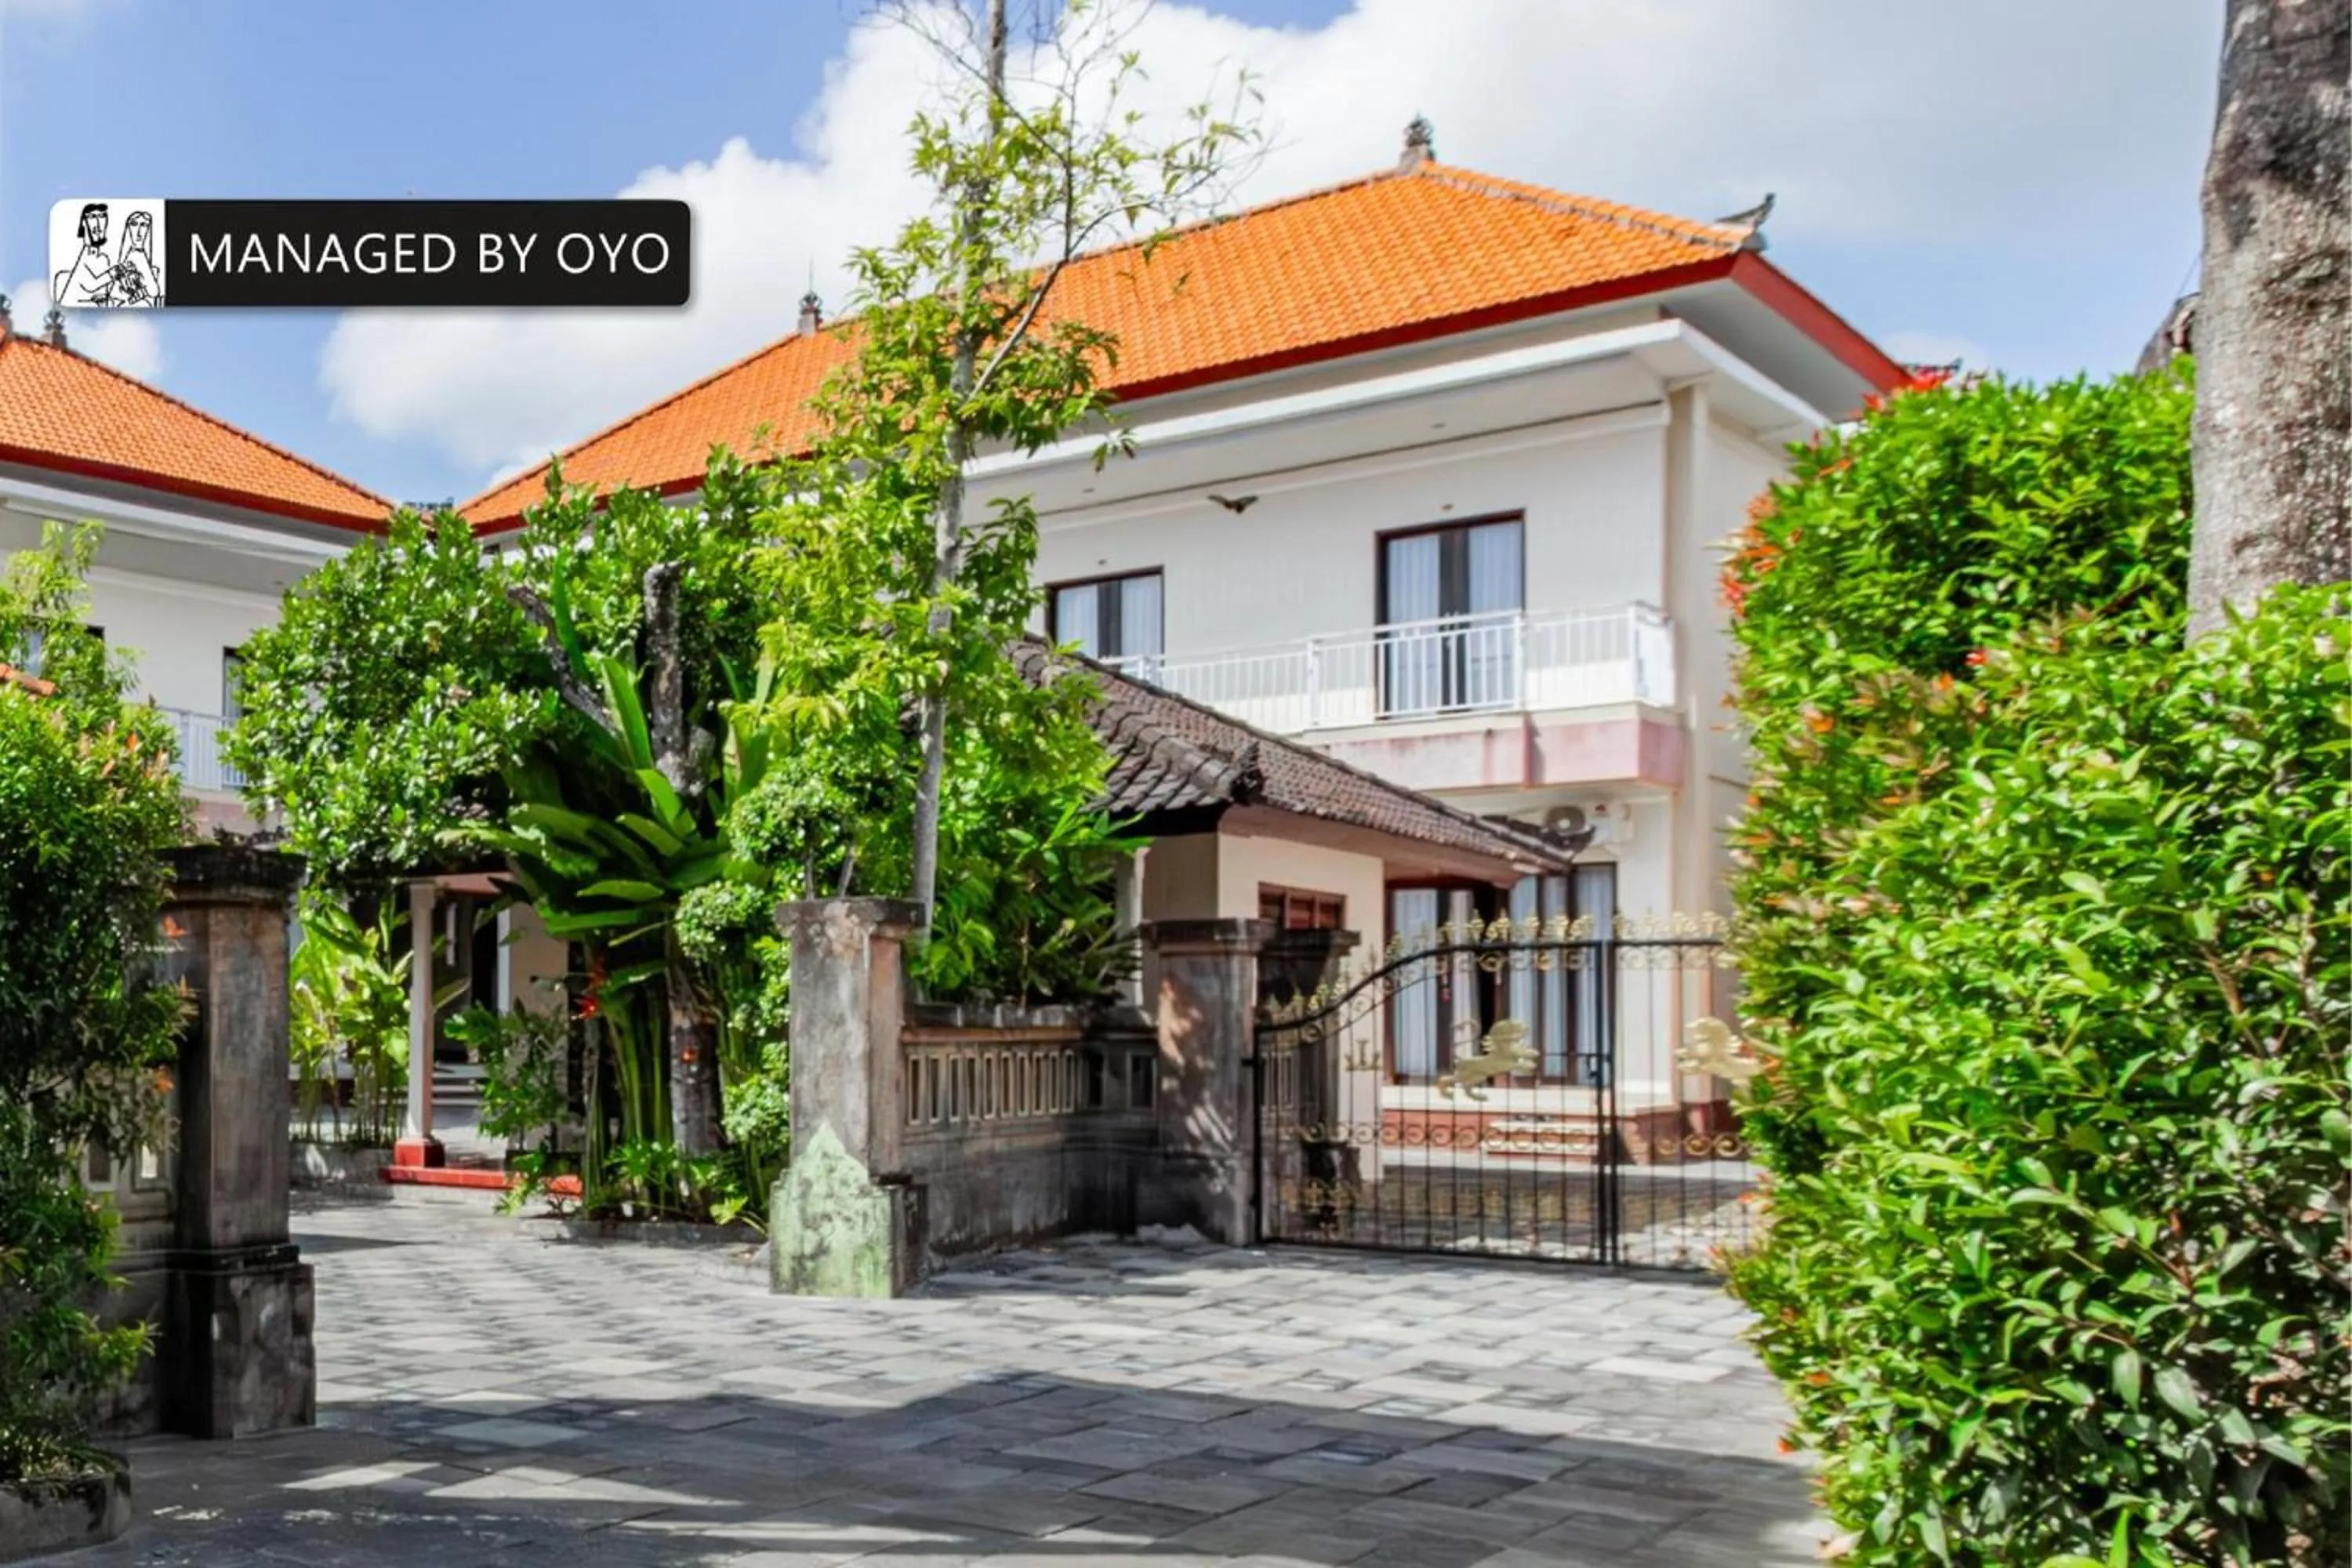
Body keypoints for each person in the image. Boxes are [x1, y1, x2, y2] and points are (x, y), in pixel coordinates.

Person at [53, 203, 116, 307]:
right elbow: (90, 284)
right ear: (83, 222)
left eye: (102, 216)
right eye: (92, 217)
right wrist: (115, 273)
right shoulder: (80, 256)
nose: (98, 223)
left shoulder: (104, 259)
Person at [111, 211, 162, 307]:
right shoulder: (131, 258)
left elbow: (154, 291)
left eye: (144, 225)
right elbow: (154, 291)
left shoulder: (142, 256)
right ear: (128, 228)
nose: (139, 232)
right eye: (134, 224)